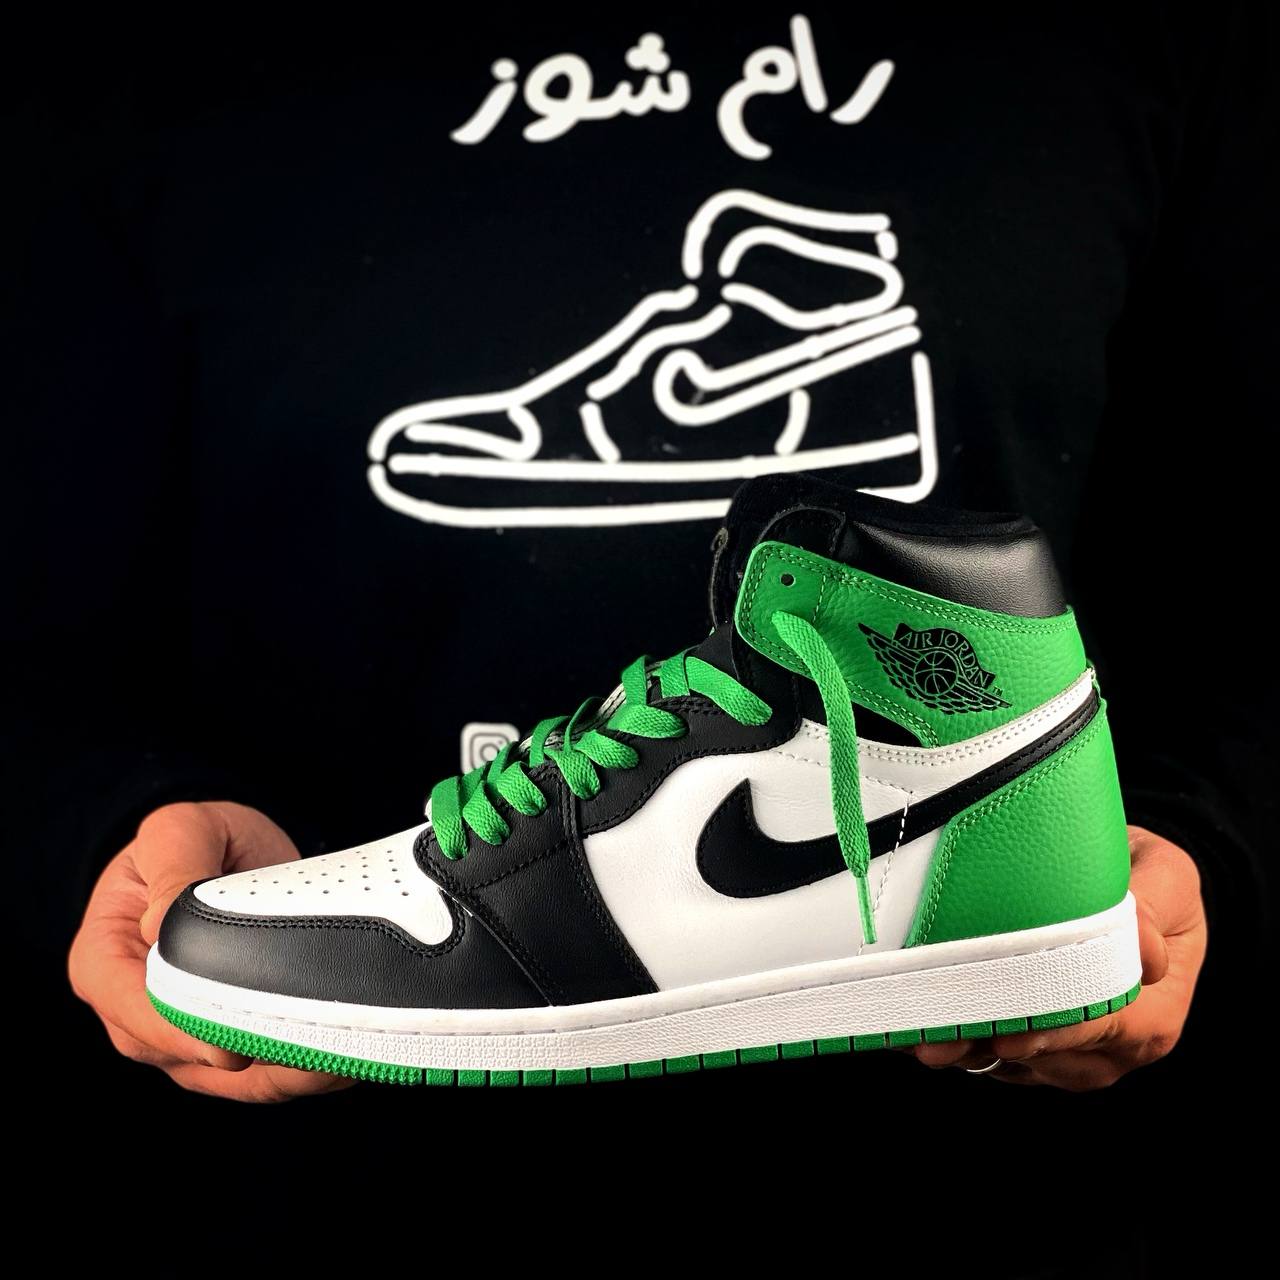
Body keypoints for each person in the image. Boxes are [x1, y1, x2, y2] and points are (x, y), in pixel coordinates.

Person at [16, 6, 1272, 1104]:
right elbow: (37, 633)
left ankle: (985, 867)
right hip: (294, 1207)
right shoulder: (155, 47)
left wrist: (1189, 840)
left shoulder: (1124, 29)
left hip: (1004, 1217)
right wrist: (120, 824)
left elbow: (1253, 593)